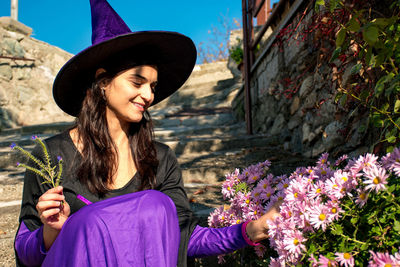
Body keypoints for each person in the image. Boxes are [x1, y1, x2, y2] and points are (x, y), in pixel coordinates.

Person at [14, 0, 281, 266]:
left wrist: (250, 230)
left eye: (152, 86)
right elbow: (25, 252)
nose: (149, 95)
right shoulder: (50, 157)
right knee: (90, 221)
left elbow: (183, 237)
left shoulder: (159, 159)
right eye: (137, 82)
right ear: (103, 82)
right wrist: (50, 231)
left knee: (155, 205)